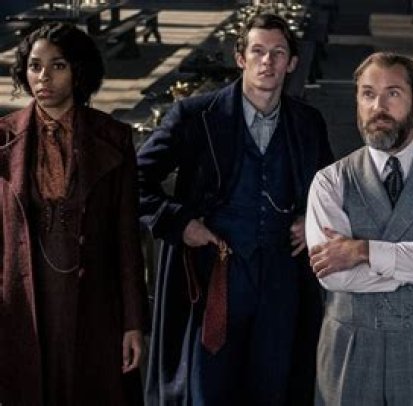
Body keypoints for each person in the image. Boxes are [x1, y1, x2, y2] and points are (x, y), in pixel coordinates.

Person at [139, 13, 333, 405]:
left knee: (274, 385)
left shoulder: (308, 122)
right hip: (214, 276)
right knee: (208, 387)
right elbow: (134, 179)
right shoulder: (194, 116)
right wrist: (181, 222)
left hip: (281, 277)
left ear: (292, 63)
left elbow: (331, 191)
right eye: (258, 51)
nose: (267, 62)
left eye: (278, 53)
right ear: (240, 57)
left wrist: (311, 219)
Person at [306, 52, 413, 405]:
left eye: (392, 94)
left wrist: (363, 250)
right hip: (349, 351)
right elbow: (334, 276)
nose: (378, 107)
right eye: (368, 94)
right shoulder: (329, 181)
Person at [0, 23, 147, 405]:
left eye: (58, 65)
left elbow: (127, 239)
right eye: (35, 66)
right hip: (23, 307)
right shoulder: (3, 139)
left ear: (79, 71)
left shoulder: (113, 137)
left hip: (95, 306)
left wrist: (133, 323)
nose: (43, 77)